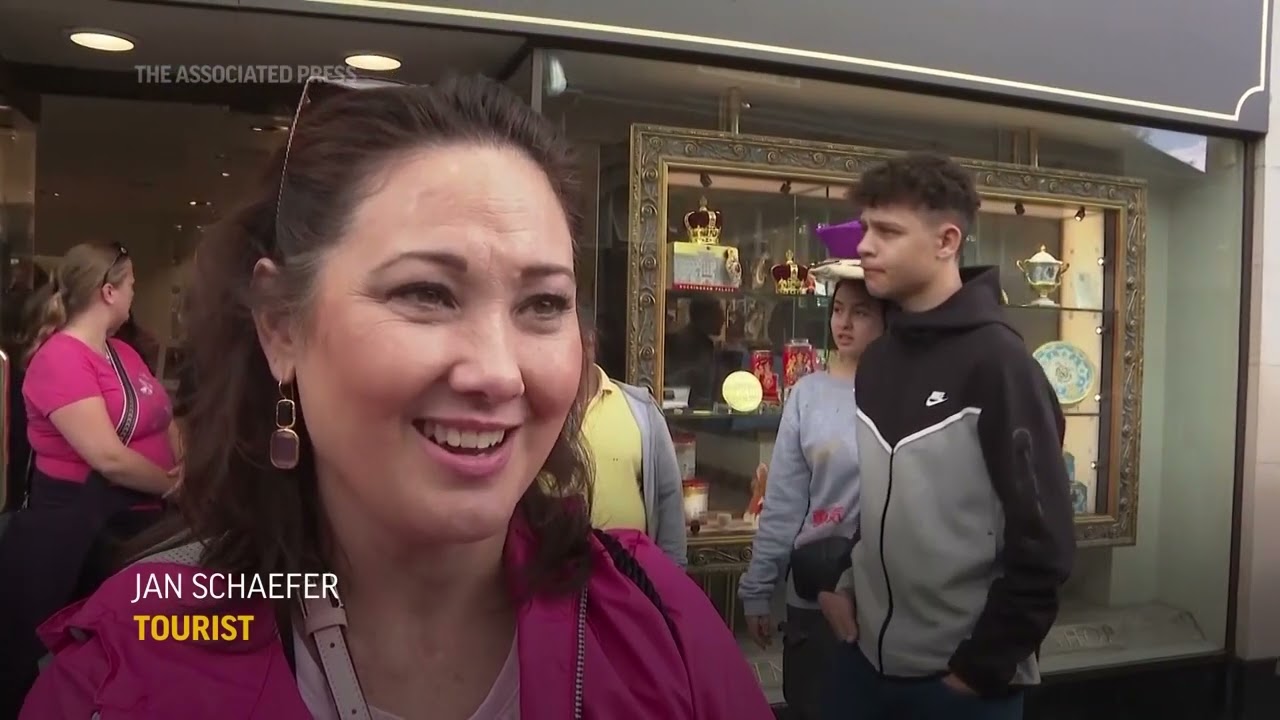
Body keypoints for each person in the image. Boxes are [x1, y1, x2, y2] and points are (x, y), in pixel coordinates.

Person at [20, 75, 773, 720]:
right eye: (426, 293)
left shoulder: (660, 632)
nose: (499, 372)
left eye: (543, 305)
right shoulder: (129, 671)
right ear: (281, 324)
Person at [819, 153, 1074, 720]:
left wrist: (982, 666)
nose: (863, 246)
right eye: (865, 228)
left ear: (946, 241)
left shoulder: (1001, 364)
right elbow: (885, 504)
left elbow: (1045, 541)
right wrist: (844, 586)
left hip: (956, 683)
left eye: (887, 231)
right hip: (861, 662)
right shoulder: (878, 360)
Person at [0, 242, 179, 717]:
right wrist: (177, 485)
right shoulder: (60, 358)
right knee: (46, 652)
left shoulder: (121, 351)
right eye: (131, 283)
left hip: (136, 521)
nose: (135, 291)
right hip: (76, 529)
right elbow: (107, 457)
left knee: (125, 649)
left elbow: (161, 414)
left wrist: (181, 465)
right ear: (107, 292)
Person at [738, 275, 884, 720]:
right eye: (839, 309)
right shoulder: (809, 394)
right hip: (815, 587)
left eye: (861, 312)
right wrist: (758, 590)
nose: (845, 322)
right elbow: (783, 502)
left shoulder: (904, 393)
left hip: (883, 593)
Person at [579, 304, 687, 566]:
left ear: (590, 342)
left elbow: (668, 498)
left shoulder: (640, 409)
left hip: (632, 577)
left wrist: (671, 580)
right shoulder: (537, 411)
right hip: (554, 582)